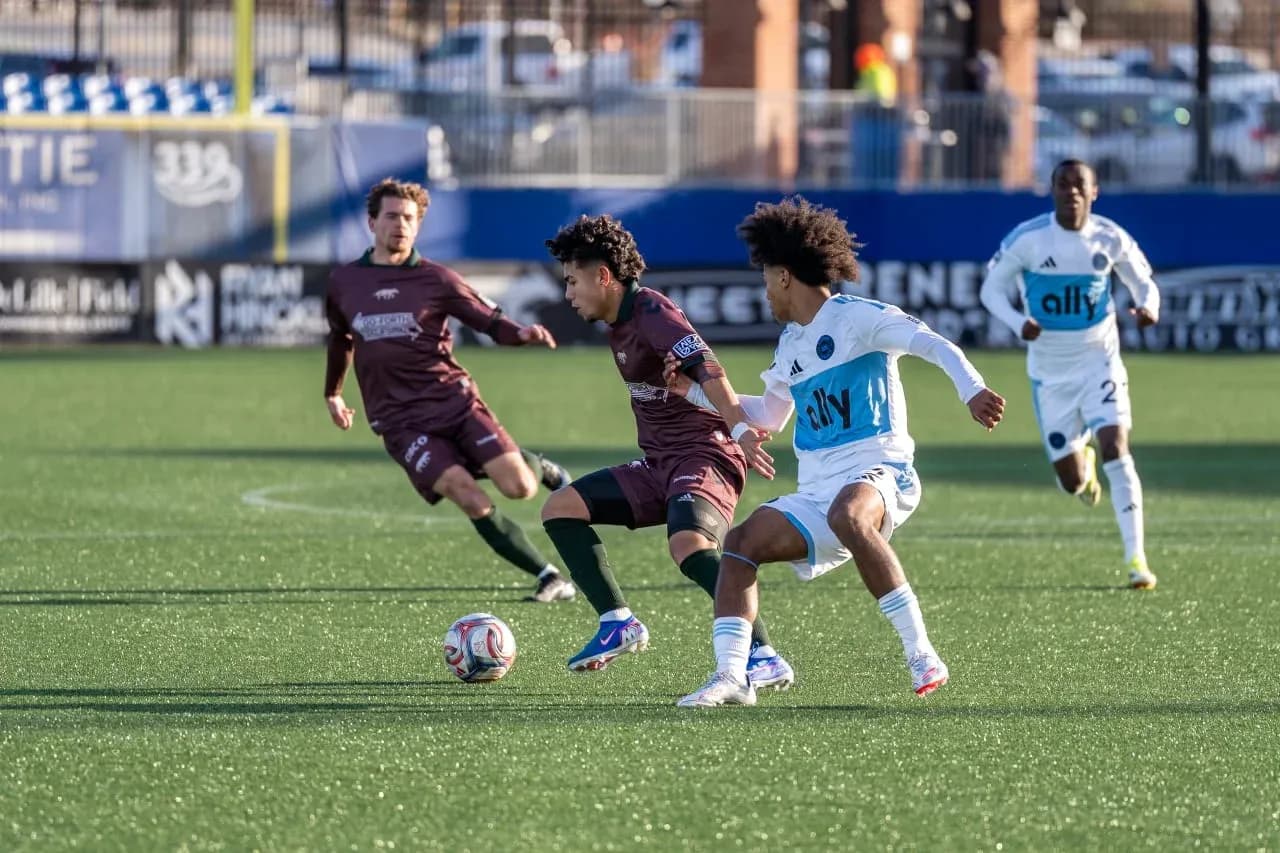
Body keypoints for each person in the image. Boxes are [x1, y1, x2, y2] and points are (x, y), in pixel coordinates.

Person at [673, 196, 1006, 708]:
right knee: (739, 544)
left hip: (883, 471)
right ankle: (731, 677)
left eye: (765, 278)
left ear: (784, 276)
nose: (764, 291)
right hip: (819, 491)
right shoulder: (790, 345)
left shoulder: (858, 318)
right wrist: (693, 393)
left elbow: (935, 344)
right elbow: (769, 417)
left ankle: (921, 653)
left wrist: (973, 390)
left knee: (850, 512)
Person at [540, 214, 794, 688]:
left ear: (603, 276)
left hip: (706, 455)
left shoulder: (652, 312)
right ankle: (618, 622)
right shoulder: (619, 323)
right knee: (560, 508)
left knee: (690, 545)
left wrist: (738, 428)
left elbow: (708, 368)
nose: (568, 293)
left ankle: (764, 655)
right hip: (661, 464)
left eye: (573, 281)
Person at [324, 178, 577, 603]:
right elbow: (340, 339)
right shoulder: (344, 283)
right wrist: (333, 393)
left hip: (454, 402)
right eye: (391, 216)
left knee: (519, 487)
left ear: (418, 226)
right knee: (464, 489)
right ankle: (548, 575)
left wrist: (522, 334)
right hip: (399, 421)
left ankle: (538, 466)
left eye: (409, 218)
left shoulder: (437, 279)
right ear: (372, 222)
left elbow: (489, 320)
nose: (400, 225)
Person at [979, 159, 1160, 590]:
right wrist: (1017, 322)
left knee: (1117, 446)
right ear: (1053, 190)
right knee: (1072, 480)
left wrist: (1149, 308)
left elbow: (1144, 282)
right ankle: (1084, 469)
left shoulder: (1109, 237)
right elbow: (990, 290)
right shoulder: (1028, 240)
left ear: (1094, 192)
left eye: (1080, 185)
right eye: (1064, 184)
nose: (1072, 192)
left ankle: (1137, 560)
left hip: (1100, 362)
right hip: (1051, 376)